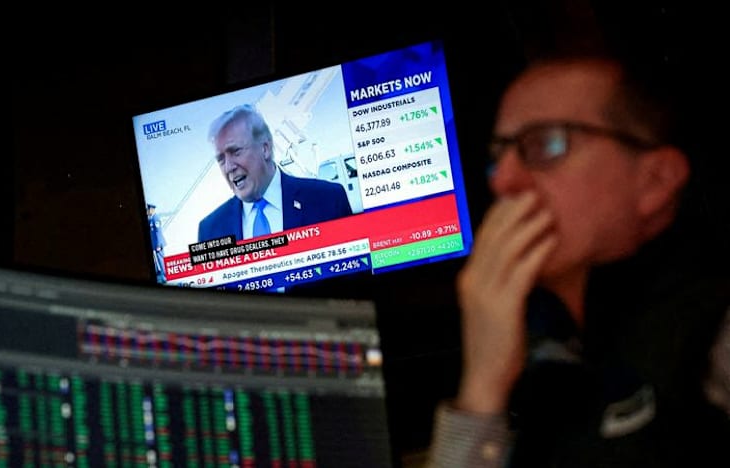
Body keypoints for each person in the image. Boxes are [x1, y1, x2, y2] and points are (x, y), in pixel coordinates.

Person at [424, 52, 730, 467]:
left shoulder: (715, 335)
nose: (503, 180)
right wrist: (482, 387)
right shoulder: (545, 360)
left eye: (547, 144)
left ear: (656, 180)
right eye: (499, 156)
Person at [197, 104, 353, 243]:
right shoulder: (210, 231)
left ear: (265, 148)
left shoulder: (329, 200)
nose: (228, 167)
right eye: (221, 159)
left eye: (236, 151)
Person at [148, 203, 167, 284]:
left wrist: (158, 244)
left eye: (148, 210)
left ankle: (165, 276)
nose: (147, 211)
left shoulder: (156, 218)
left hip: (158, 244)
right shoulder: (151, 219)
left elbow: (158, 232)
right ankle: (162, 275)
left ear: (151, 210)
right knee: (158, 260)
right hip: (155, 244)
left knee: (161, 260)